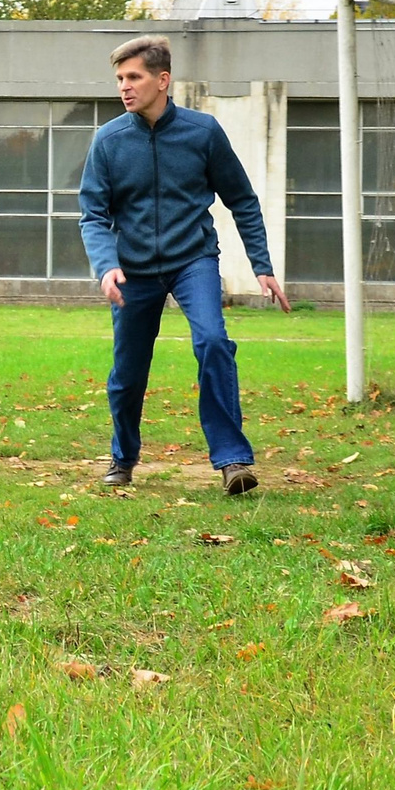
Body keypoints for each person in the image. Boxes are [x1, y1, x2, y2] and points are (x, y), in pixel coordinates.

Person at [77, 33, 289, 496]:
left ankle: (233, 460)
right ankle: (123, 457)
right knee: (128, 372)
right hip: (132, 271)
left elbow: (242, 200)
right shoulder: (108, 140)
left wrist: (262, 265)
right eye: (120, 78)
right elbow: (93, 214)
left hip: (193, 260)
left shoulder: (203, 132)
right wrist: (106, 265)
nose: (124, 87)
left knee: (213, 342)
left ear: (162, 80)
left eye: (134, 77)